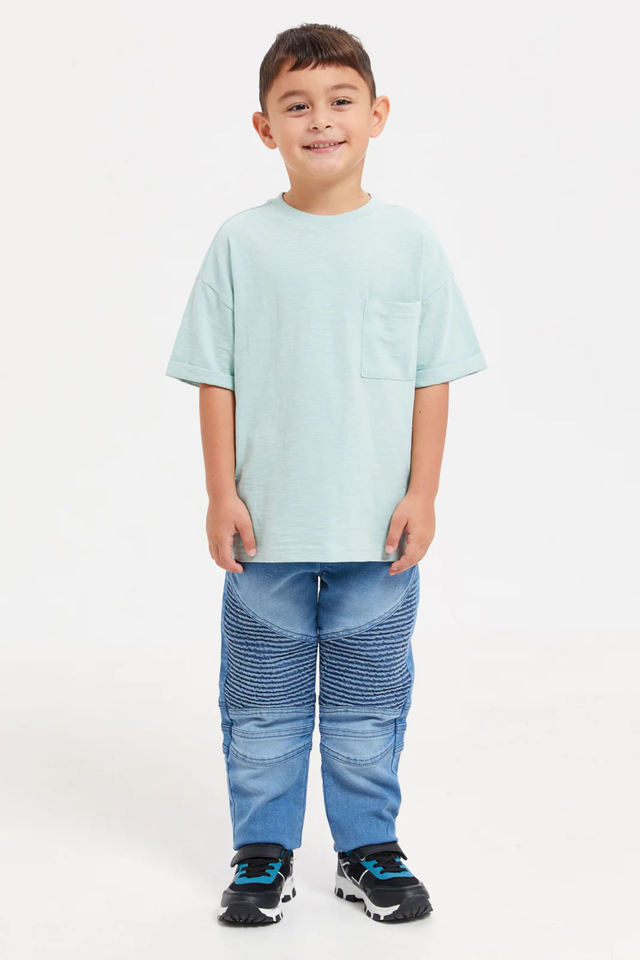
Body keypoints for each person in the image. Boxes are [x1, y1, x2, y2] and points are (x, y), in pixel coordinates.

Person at [165, 22, 487, 925]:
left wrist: (423, 493)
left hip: (378, 532)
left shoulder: (409, 241)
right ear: (264, 126)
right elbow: (217, 377)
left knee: (368, 703)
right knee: (261, 704)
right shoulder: (241, 243)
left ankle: (367, 848)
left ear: (376, 114)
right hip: (265, 528)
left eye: (341, 101)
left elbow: (431, 376)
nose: (320, 120)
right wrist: (220, 493)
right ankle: (261, 851)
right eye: (296, 105)